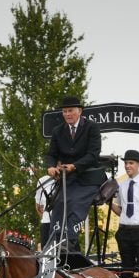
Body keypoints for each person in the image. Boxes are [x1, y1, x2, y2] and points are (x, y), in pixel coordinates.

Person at [45, 96, 106, 257]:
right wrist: (51, 167)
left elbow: (93, 155)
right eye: (64, 111)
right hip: (67, 179)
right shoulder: (58, 131)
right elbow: (51, 154)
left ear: (79, 111)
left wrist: (75, 166)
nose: (67, 114)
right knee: (58, 204)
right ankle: (56, 242)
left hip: (88, 178)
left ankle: (70, 241)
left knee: (75, 203)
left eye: (70, 111)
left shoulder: (92, 127)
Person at [34, 174, 55, 250]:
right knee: (46, 254)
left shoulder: (69, 179)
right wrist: (44, 217)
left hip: (64, 224)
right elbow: (38, 206)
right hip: (47, 223)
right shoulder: (43, 180)